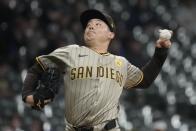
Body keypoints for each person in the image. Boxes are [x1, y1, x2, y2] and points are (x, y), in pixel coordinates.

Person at [22, 9, 172, 131]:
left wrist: (160, 53)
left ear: (110, 34)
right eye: (88, 25)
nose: (91, 26)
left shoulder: (120, 63)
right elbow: (36, 69)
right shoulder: (71, 52)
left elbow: (144, 80)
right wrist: (28, 95)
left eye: (98, 24)